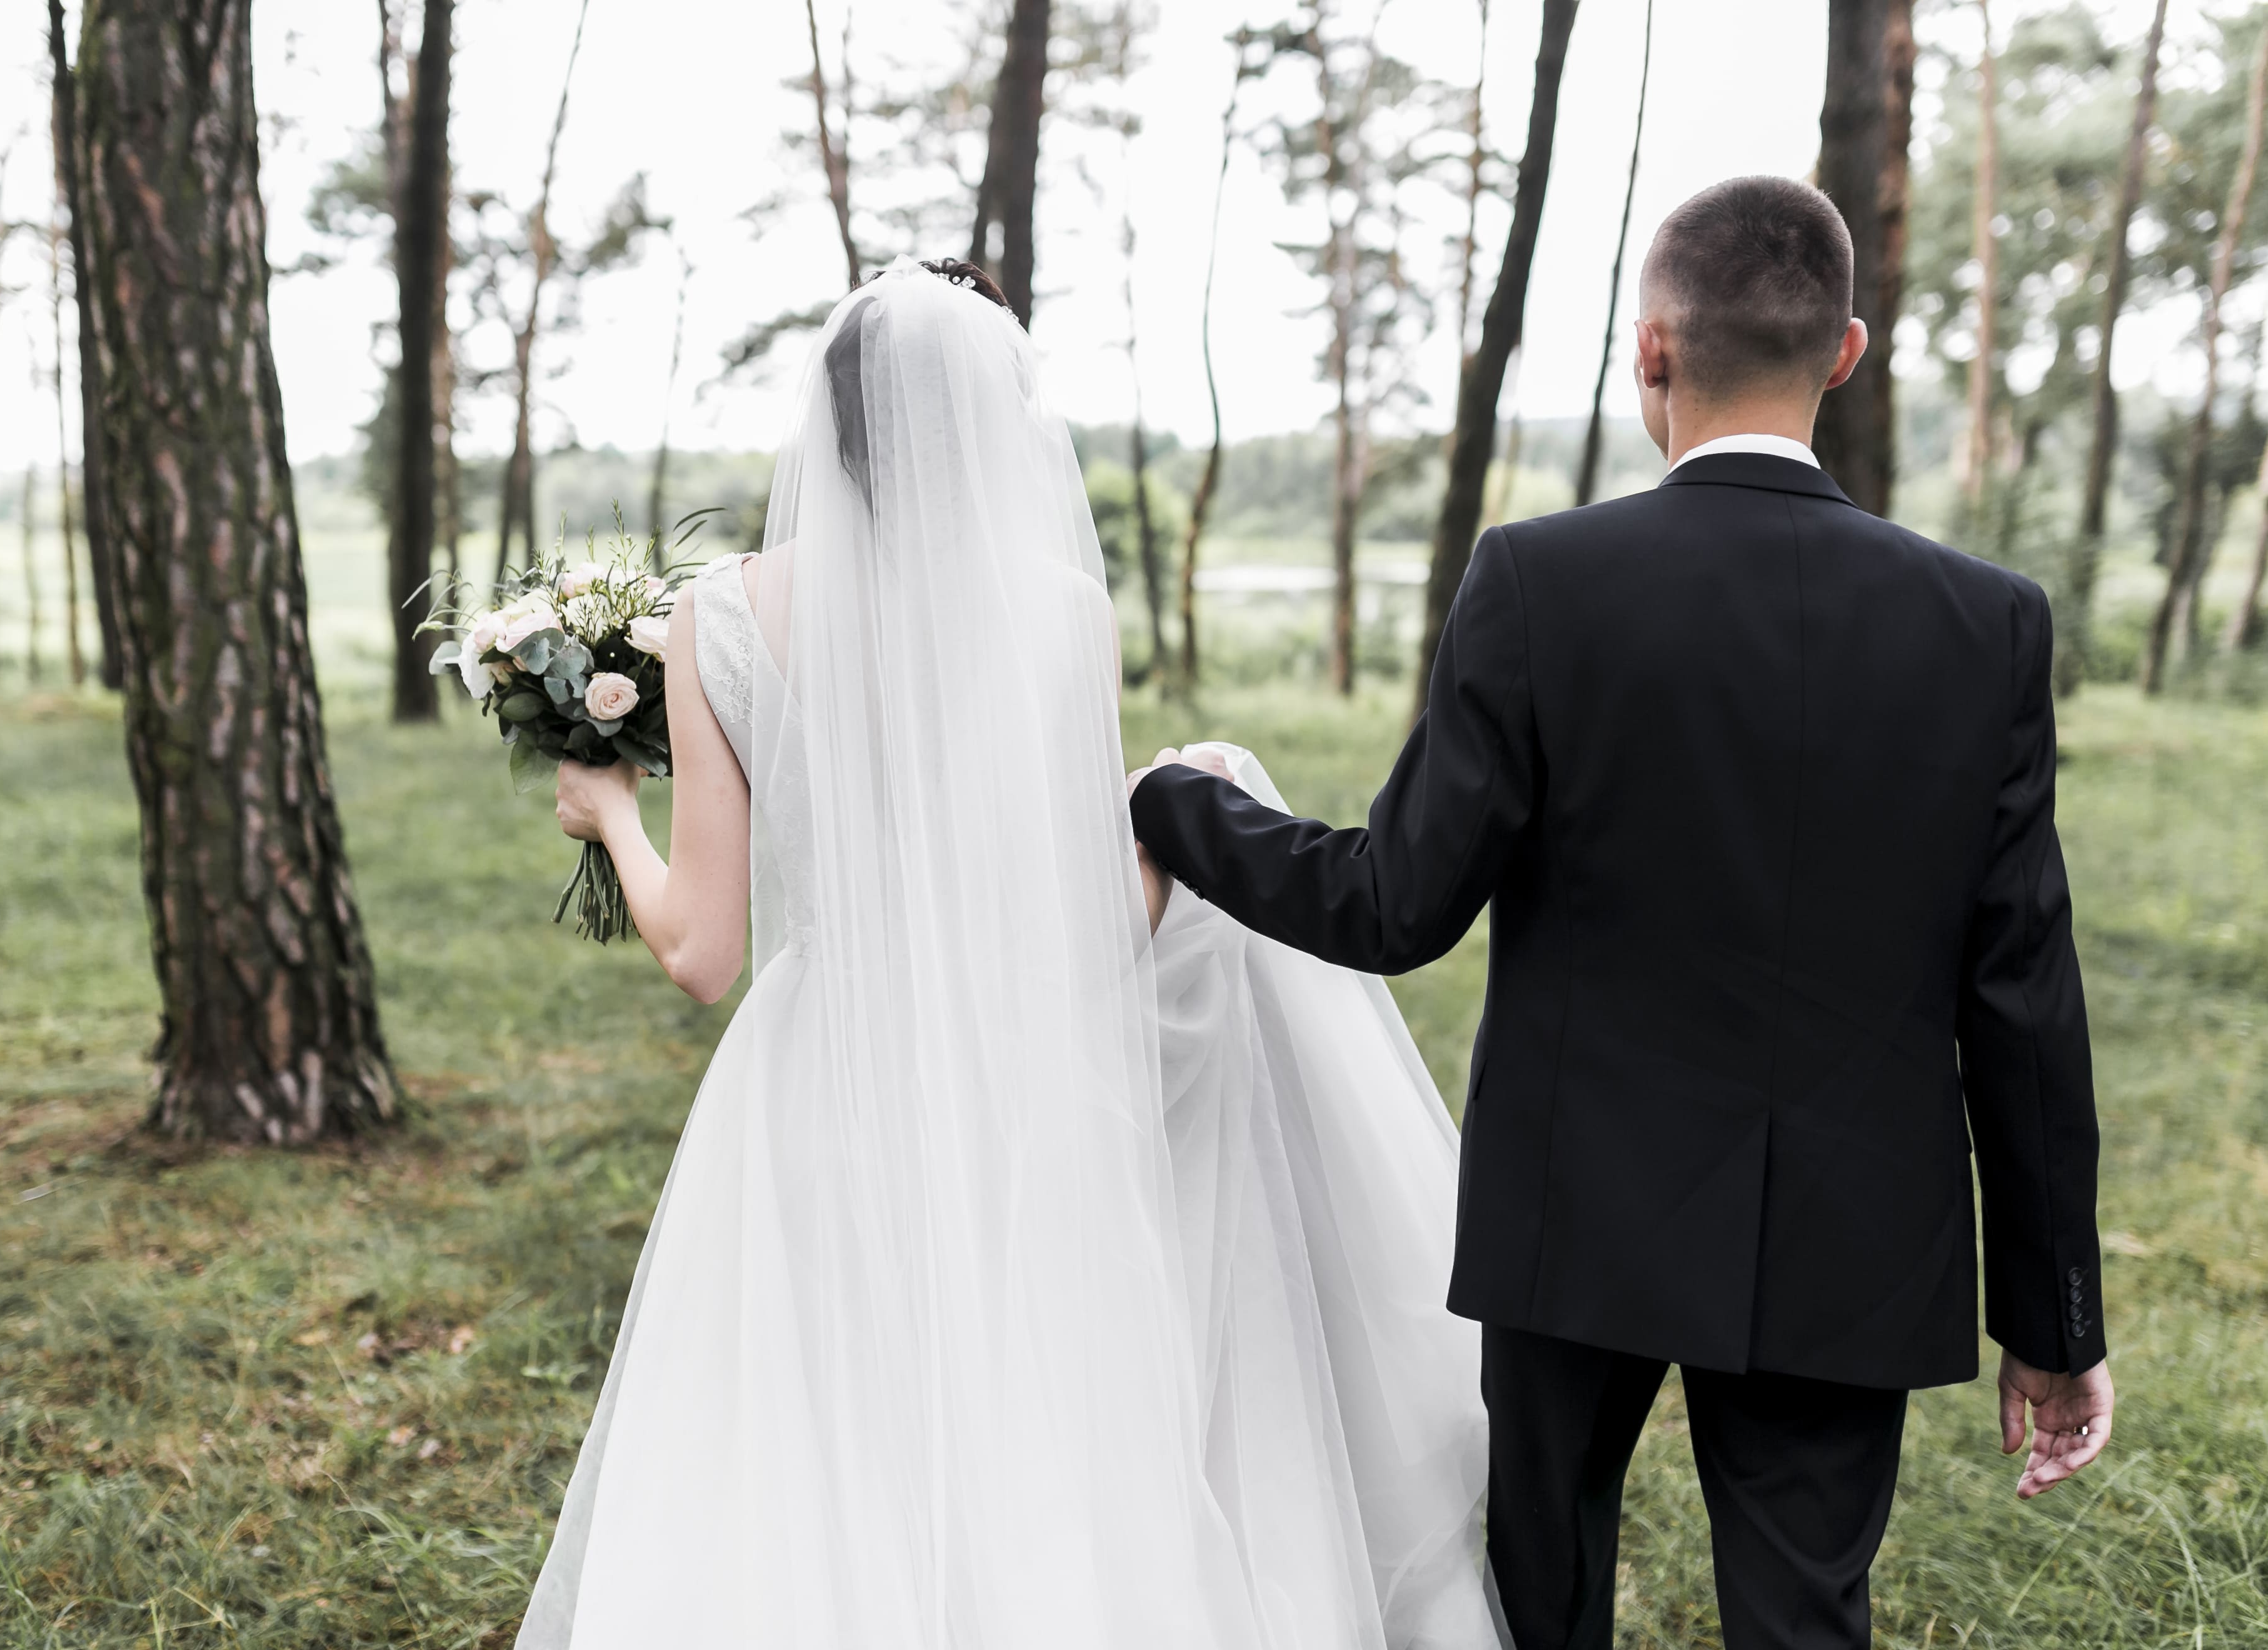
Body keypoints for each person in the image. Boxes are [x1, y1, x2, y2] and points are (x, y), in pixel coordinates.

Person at [1130, 176, 2114, 1650]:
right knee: (1804, 1618)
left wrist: (1174, 804)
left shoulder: (1541, 580)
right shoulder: (1989, 619)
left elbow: (1395, 905)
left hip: (1576, 1215)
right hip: (1855, 1232)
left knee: (1548, 1598)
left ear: (1649, 351)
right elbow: (2023, 992)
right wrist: (2056, 1322)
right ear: (1842, 354)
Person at [519, 258, 1501, 1649]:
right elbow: (1097, 931)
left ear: (833, 425)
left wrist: (613, 811)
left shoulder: (717, 618)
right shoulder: (1062, 610)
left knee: (827, 1425)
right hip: (1021, 1080)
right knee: (1028, 1408)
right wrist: (1184, 831)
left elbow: (702, 952)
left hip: (826, 1077)